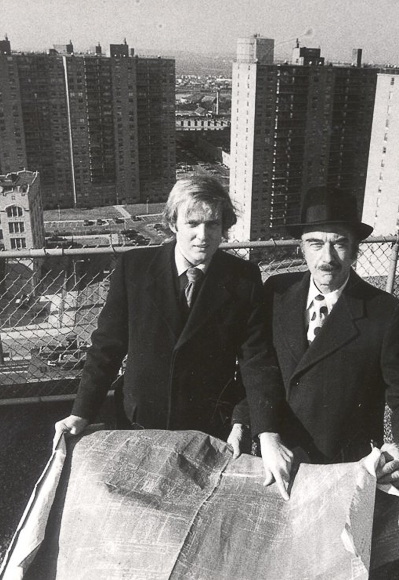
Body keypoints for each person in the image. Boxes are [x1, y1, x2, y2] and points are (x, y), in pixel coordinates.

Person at [55, 175, 293, 498]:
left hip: (208, 430)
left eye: (213, 223)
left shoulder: (244, 279)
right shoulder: (133, 269)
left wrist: (259, 429)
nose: (203, 236)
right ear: (172, 222)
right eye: (192, 223)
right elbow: (106, 348)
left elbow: (255, 360)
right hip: (141, 423)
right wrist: (81, 413)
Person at [230, 186, 399, 487]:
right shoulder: (275, 293)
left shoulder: (385, 313)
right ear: (300, 248)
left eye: (339, 244)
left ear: (355, 250)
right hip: (277, 457)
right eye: (315, 244)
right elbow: (258, 367)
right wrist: (241, 422)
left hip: (344, 467)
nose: (327, 258)